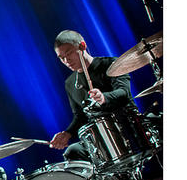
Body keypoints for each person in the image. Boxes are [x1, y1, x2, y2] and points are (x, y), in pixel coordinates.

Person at [49, 29, 136, 160]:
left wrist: (104, 97)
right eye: (62, 58)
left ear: (82, 46)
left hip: (126, 127)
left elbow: (124, 92)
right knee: (72, 151)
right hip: (100, 137)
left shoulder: (111, 64)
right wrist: (67, 133)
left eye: (69, 53)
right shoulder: (70, 83)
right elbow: (80, 115)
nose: (66, 61)